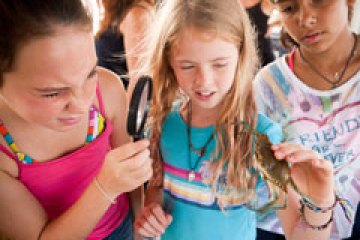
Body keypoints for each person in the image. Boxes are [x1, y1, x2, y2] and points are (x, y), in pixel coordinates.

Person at [132, 0, 337, 239]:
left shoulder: (261, 137)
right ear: (169, 62)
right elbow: (156, 192)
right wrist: (148, 218)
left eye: (219, 64)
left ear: (240, 57)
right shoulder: (162, 124)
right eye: (187, 66)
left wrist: (321, 202)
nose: (204, 81)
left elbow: (297, 233)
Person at [0, 1, 153, 239]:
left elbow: (131, 176)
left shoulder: (108, 89)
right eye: (53, 92)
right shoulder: (4, 151)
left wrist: (139, 229)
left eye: (90, 73)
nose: (82, 104)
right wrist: (104, 187)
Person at [253, 0, 360, 239]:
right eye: (290, 9)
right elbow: (274, 182)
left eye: (320, 2)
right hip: (286, 225)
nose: (305, 19)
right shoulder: (269, 86)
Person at [95, 0, 155, 91]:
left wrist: (123, 105)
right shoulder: (116, 13)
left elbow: (138, 82)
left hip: (119, 102)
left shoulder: (136, 14)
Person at [240, 0, 276, 66]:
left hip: (263, 55)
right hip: (242, 56)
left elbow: (285, 9)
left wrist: (273, 23)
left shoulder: (266, 2)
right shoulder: (232, 3)